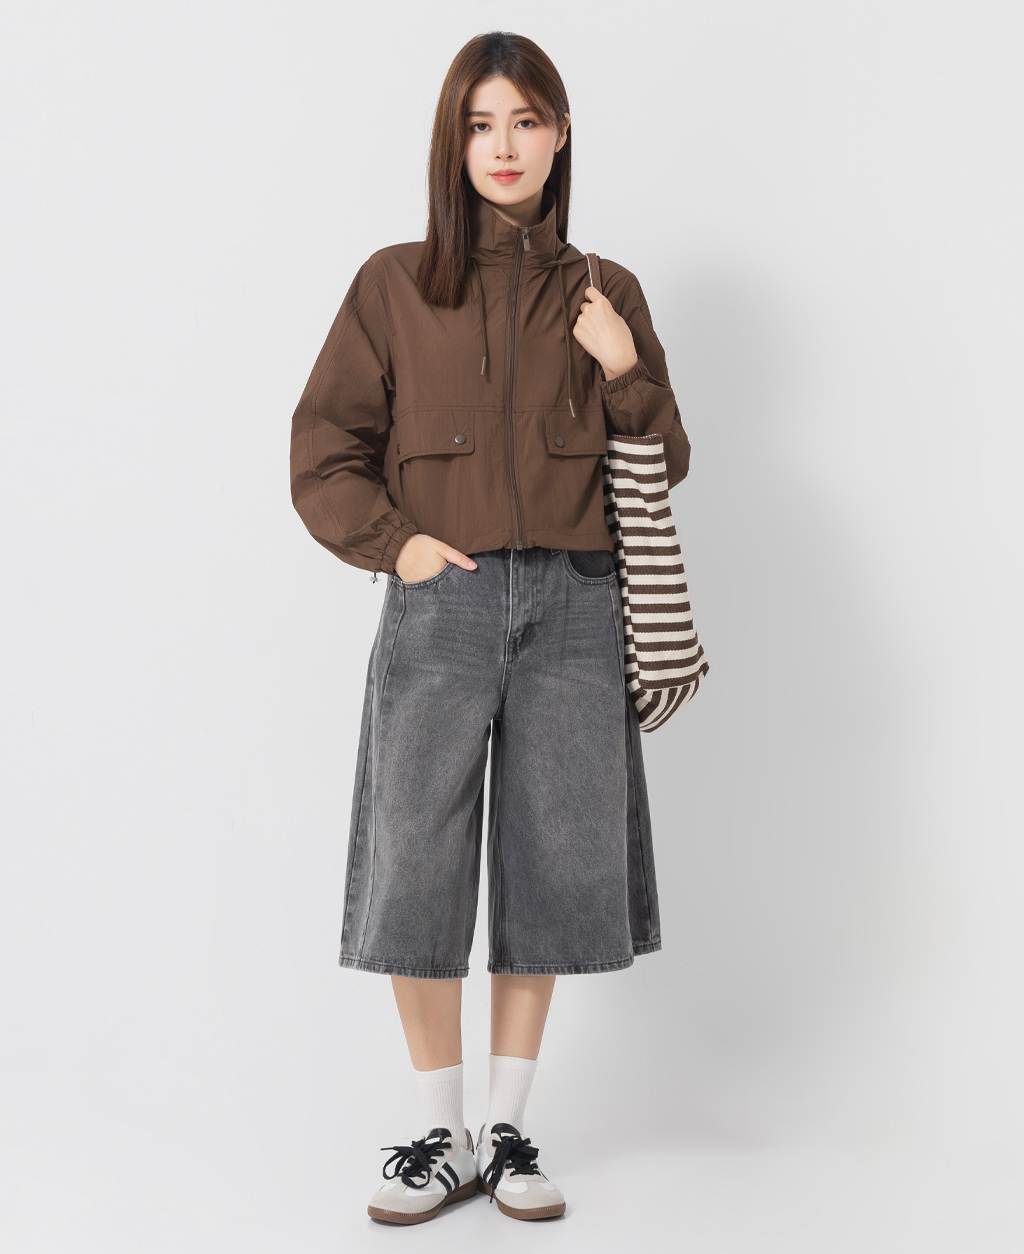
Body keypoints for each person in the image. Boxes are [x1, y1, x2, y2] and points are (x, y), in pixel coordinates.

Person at [289, 30, 691, 1225]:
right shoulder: (393, 284)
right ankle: (438, 1131)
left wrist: (623, 366)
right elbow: (324, 448)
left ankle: (507, 1129)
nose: (502, 146)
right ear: (452, 142)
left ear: (560, 134)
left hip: (576, 606)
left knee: (552, 861)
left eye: (524, 121)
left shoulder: (606, 290)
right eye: (479, 124)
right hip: (443, 604)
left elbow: (664, 460)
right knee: (415, 855)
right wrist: (398, 545)